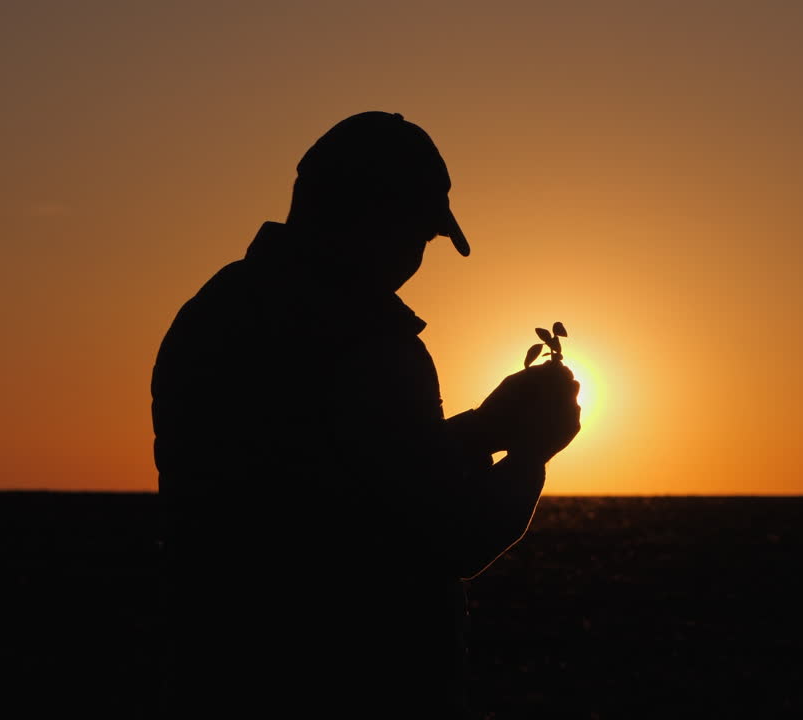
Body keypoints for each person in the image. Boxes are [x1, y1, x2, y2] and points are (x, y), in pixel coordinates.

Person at [151, 111, 581, 717]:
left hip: (222, 673)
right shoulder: (359, 337)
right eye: (417, 234)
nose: (415, 259)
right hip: (351, 682)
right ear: (371, 215)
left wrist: (484, 428)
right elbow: (437, 535)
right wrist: (530, 453)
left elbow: (349, 476)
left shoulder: (221, 311)